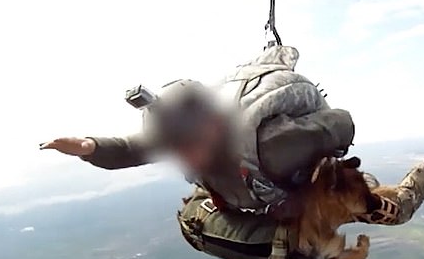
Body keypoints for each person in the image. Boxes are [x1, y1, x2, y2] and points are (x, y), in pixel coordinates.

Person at [40, 46, 354, 219]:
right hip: (251, 182)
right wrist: (89, 147)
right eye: (174, 147)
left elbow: (340, 123)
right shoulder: (187, 142)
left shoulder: (274, 146)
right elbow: (130, 148)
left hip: (284, 160)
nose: (182, 155)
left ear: (214, 127)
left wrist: (324, 169)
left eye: (187, 144)